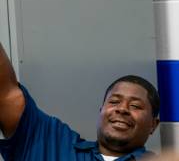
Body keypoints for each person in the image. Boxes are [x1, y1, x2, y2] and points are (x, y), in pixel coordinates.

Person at [0, 43, 160, 161]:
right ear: (101, 110)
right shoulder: (51, 142)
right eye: (114, 102)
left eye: (135, 106)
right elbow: (7, 95)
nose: (122, 109)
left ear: (153, 124)